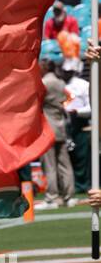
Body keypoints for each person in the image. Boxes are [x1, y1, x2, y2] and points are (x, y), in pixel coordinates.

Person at [40, 58, 75, 206]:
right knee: (64, 164)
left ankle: (52, 197)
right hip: (60, 125)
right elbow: (67, 100)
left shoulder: (44, 83)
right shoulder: (61, 83)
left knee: (50, 165)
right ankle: (69, 195)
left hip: (47, 127)